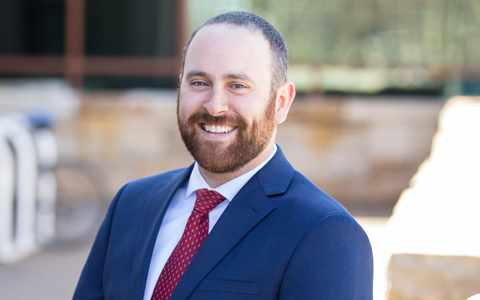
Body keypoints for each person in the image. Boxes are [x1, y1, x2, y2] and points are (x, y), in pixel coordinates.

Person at [73, 11, 373, 300]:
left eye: (238, 86)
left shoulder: (326, 233)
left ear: (280, 102)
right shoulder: (130, 205)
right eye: (200, 83)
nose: (215, 106)